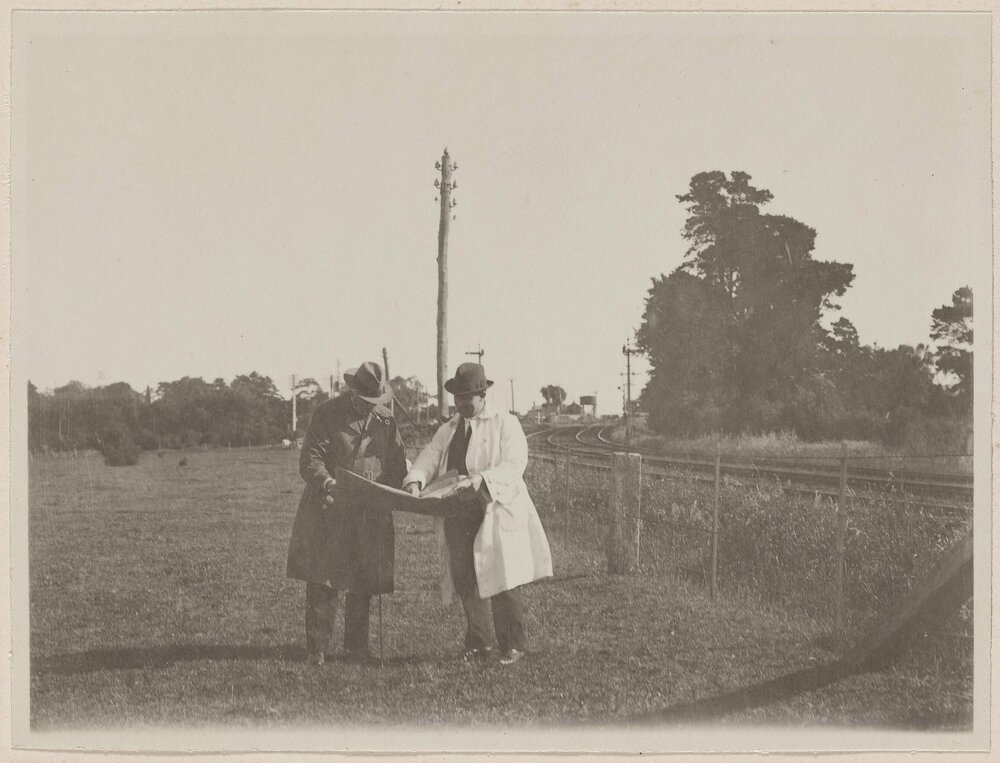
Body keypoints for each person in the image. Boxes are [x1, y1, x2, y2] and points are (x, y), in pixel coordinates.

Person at [403, 362, 552, 666]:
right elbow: (430, 456)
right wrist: (416, 480)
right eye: (457, 398)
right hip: (459, 512)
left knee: (502, 576)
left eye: (467, 398)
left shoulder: (504, 424)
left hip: (495, 508)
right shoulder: (450, 428)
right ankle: (479, 642)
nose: (461, 404)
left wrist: (482, 479)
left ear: (482, 395)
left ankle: (512, 644)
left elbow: (514, 464)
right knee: (465, 577)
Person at [286, 361, 406, 666]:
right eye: (365, 402)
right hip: (329, 506)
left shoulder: (387, 420)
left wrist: (395, 492)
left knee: (363, 578)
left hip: (369, 509)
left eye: (374, 403)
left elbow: (396, 466)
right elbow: (310, 460)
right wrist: (326, 483)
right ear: (352, 392)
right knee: (322, 577)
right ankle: (317, 648)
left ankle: (357, 648)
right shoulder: (327, 413)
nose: (370, 408)